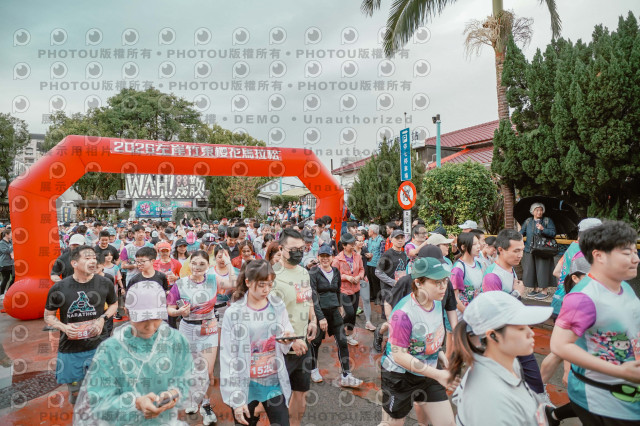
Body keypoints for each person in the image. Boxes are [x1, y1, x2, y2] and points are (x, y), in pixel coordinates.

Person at [550, 220, 640, 425]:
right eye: (627, 253)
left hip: (629, 394)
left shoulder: (624, 286)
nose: (636, 259)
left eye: (635, 252)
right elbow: (559, 345)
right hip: (602, 399)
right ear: (599, 256)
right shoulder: (583, 297)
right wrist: (620, 371)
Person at [74, 282, 194, 424]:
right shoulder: (111, 350)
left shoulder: (175, 341)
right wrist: (134, 403)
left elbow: (187, 379)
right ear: (127, 311)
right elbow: (99, 401)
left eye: (156, 318)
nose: (150, 326)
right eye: (142, 320)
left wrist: (173, 394)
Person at [450, 291, 554, 425]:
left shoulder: (509, 362)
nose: (531, 333)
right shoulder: (492, 398)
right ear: (493, 335)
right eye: (521, 328)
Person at [379, 257, 458, 426]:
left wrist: (440, 353)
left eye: (445, 280)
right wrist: (438, 374)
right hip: (400, 376)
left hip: (428, 372)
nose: (443, 286)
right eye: (436, 282)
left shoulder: (437, 302)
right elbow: (399, 356)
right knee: (391, 424)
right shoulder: (403, 314)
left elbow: (429, 335)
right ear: (419, 283)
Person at [221, 260, 299, 426]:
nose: (266, 290)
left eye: (270, 284)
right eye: (262, 285)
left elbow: (286, 329)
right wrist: (236, 398)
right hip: (246, 384)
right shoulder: (233, 313)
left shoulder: (277, 305)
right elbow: (228, 357)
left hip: (273, 381)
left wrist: (289, 338)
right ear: (248, 282)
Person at [44, 245, 117, 404]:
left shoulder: (105, 283)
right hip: (71, 351)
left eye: (94, 258)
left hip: (98, 348)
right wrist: (64, 327)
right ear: (74, 263)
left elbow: (114, 304)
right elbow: (48, 316)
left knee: (101, 391)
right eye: (87, 258)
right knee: (76, 395)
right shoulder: (60, 288)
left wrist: (102, 318)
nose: (93, 261)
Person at [482, 229, 548, 400]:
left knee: (531, 380)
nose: (520, 255)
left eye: (522, 250)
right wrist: (517, 293)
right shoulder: (492, 276)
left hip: (515, 333)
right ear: (501, 250)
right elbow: (495, 311)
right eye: (516, 251)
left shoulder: (510, 269)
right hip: (502, 339)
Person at [272, 229, 318, 426]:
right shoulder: (271, 276)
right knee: (273, 401)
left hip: (304, 346)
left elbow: (307, 299)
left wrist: (313, 320)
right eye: (294, 249)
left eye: (302, 249)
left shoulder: (304, 272)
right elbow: (270, 319)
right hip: (280, 350)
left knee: (300, 394)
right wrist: (291, 340)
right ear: (281, 249)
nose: (299, 253)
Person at [167, 250, 219, 425]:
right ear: (189, 264)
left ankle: (206, 405)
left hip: (209, 328)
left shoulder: (213, 280)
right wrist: (179, 312)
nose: (197, 267)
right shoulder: (180, 284)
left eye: (202, 264)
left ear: (208, 266)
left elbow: (234, 283)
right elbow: (170, 308)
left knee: (208, 371)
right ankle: (192, 399)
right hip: (187, 328)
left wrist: (226, 262)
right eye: (194, 263)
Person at [308, 244, 363, 387]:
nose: (325, 259)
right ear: (318, 257)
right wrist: (320, 317)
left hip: (334, 311)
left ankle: (346, 374)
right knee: (316, 342)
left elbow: (338, 289)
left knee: (342, 341)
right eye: (322, 256)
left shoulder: (336, 271)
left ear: (332, 257)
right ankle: (313, 369)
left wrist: (339, 306)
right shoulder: (314, 272)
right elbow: (313, 295)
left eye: (327, 256)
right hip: (320, 311)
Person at [550, 217, 601, 318]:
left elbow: (556, 272)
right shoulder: (586, 253)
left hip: (558, 303)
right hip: (575, 309)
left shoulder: (572, 247)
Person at [373, 229, 409, 352]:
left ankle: (390, 340)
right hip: (389, 292)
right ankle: (381, 335)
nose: (400, 240)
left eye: (402, 238)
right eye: (397, 238)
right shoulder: (387, 254)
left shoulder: (404, 254)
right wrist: (393, 282)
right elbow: (378, 272)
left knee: (399, 319)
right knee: (391, 320)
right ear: (391, 239)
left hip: (402, 292)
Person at [332, 233, 365, 346]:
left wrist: (359, 277)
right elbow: (335, 275)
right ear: (344, 246)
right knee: (349, 312)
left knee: (353, 314)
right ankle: (338, 329)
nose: (353, 245)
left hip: (356, 289)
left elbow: (362, 269)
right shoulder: (338, 259)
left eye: (353, 243)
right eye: (350, 244)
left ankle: (348, 336)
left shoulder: (357, 256)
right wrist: (347, 277)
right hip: (343, 290)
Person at [520, 202, 557, 300]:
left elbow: (553, 233)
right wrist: (518, 236)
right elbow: (522, 231)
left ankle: (544, 291)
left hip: (543, 250)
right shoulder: (528, 221)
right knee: (532, 269)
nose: (539, 212)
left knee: (543, 269)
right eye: (537, 210)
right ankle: (535, 289)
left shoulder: (547, 221)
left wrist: (543, 229)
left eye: (541, 210)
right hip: (530, 249)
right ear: (532, 211)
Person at [451, 233, 483, 320]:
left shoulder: (478, 264)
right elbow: (455, 298)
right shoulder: (458, 269)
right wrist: (470, 315)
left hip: (477, 314)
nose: (479, 246)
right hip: (464, 318)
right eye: (474, 244)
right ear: (463, 247)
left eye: (478, 243)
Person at [354, 231, 376, 331]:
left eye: (362, 241)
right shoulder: (351, 251)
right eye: (359, 241)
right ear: (354, 242)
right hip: (352, 280)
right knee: (351, 301)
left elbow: (368, 261)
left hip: (364, 278)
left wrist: (370, 257)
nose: (361, 243)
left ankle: (368, 322)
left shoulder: (364, 249)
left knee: (366, 300)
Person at [365, 224, 385, 308]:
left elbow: (382, 253)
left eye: (369, 230)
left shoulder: (381, 240)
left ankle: (378, 297)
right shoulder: (369, 240)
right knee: (370, 280)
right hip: (368, 263)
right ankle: (372, 296)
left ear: (372, 231)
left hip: (376, 264)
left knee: (376, 281)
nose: (368, 232)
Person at [0, 228, 14, 297]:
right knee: (6, 278)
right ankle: (1, 293)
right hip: (4, 264)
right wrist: (13, 245)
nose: (12, 235)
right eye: (11, 234)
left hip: (11, 263)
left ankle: (8, 291)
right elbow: (6, 251)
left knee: (14, 277)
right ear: (6, 234)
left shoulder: (11, 242)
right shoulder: (1, 243)